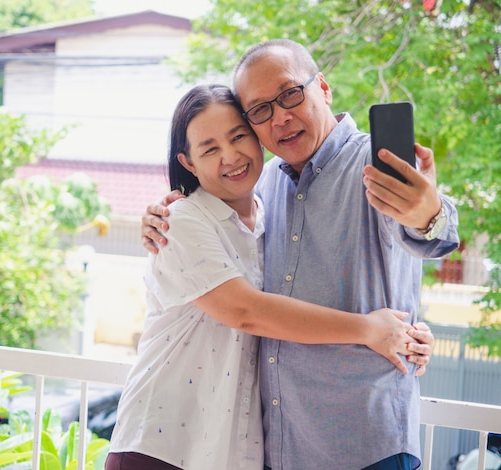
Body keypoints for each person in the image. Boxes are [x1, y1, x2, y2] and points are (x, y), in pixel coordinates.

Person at [140, 39, 460, 470]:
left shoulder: (373, 165)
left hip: (364, 445)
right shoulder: (262, 184)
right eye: (260, 110)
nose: (280, 117)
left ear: (323, 88)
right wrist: (167, 209)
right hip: (281, 446)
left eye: (291, 94)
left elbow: (429, 228)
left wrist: (429, 214)